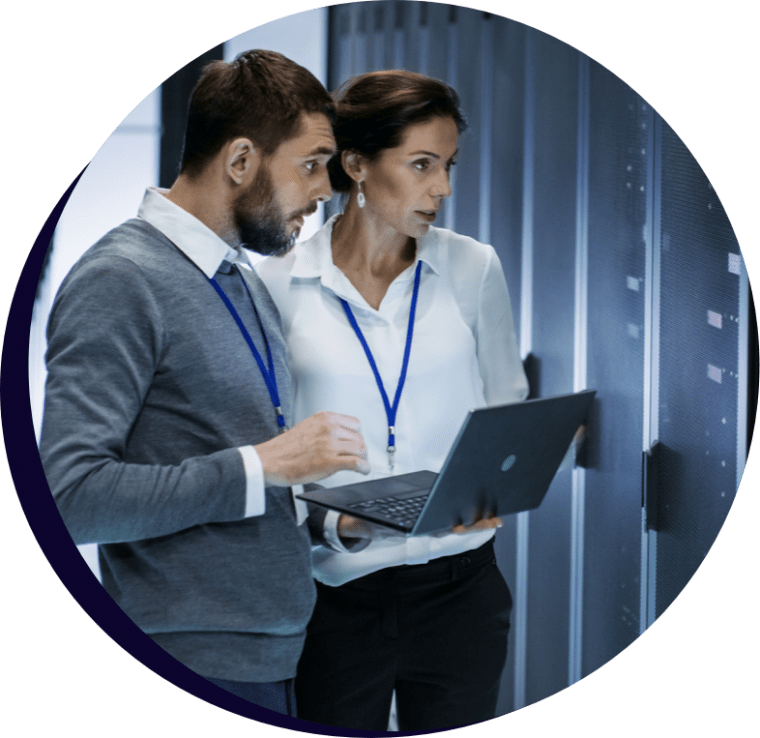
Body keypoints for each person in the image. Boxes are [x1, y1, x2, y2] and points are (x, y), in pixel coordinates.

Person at [38, 50, 370, 718]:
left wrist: (330, 520)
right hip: (187, 662)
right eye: (311, 163)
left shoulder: (239, 282)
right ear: (241, 161)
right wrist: (264, 464)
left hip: (273, 654)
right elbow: (67, 498)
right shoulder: (120, 279)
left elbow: (239, 472)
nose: (325, 189)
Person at [256, 70, 530, 731]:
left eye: (448, 166)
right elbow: (260, 447)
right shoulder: (276, 283)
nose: (443, 188)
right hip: (335, 596)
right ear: (356, 165)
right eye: (421, 165)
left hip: (460, 588)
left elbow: (505, 410)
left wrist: (496, 483)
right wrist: (329, 525)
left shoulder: (473, 268)